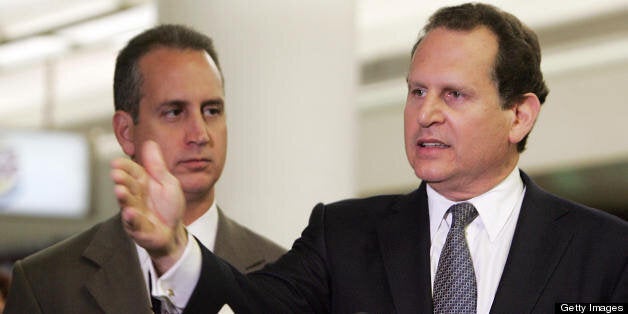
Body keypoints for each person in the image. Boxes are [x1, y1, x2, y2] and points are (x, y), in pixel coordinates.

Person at [114, 3, 627, 314]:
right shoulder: (342, 236)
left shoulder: (606, 252)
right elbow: (253, 309)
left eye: (453, 95)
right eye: (416, 91)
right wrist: (175, 249)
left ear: (519, 115)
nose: (424, 113)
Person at [4, 24, 285, 314]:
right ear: (126, 132)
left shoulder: (285, 271)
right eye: (175, 112)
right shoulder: (47, 282)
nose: (200, 134)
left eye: (212, 110)